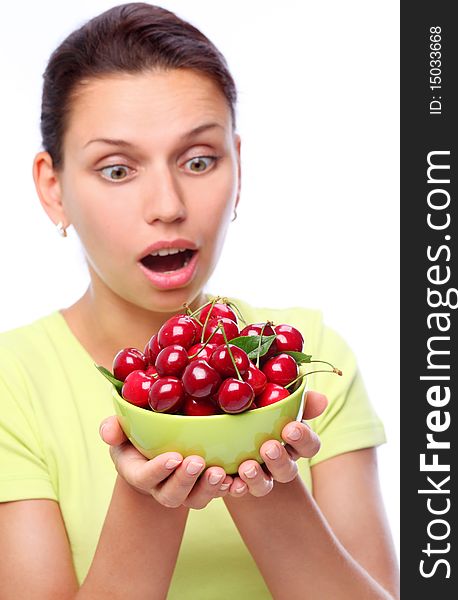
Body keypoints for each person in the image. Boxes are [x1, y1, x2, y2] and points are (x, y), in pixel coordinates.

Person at [0, 3, 399, 598]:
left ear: (238, 165)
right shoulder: (13, 383)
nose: (167, 204)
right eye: (116, 170)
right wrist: (149, 494)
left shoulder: (305, 360)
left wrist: (261, 465)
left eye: (199, 160)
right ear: (53, 189)